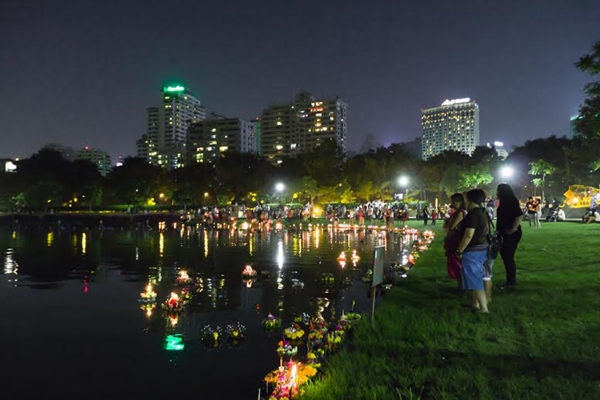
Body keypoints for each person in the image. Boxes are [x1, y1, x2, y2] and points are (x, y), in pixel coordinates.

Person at [455, 189, 490, 313]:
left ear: (471, 199)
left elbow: (469, 235)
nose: (464, 201)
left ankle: (484, 309)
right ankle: (475, 304)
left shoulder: (473, 214)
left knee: (475, 280)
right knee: (477, 277)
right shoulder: (482, 212)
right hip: (482, 248)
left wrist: (460, 250)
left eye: (465, 198)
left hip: (473, 251)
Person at [496, 183, 524, 289]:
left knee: (508, 256)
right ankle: (510, 280)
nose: (497, 192)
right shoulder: (504, 202)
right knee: (505, 255)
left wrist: (513, 229)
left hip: (511, 234)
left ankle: (511, 281)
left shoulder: (511, 201)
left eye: (498, 190)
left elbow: (519, 214)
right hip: (504, 232)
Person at [443, 193, 467, 289]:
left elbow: (451, 226)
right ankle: (461, 285)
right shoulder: (459, 212)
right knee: (456, 262)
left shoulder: (460, 213)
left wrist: (448, 220)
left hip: (456, 239)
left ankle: (462, 285)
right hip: (455, 238)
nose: (451, 203)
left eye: (453, 201)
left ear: (460, 202)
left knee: (456, 262)